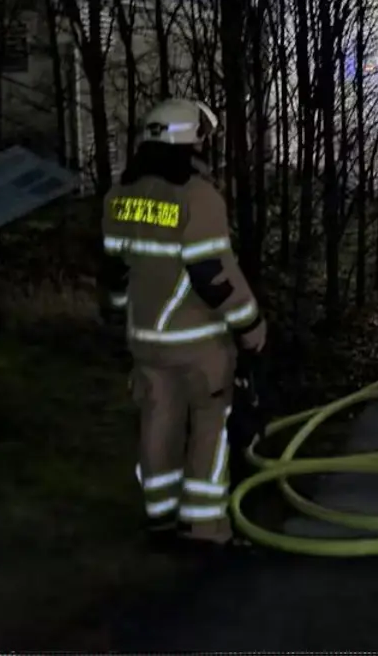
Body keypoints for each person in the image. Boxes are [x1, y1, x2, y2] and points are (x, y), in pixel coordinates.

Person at [99, 98, 268, 553]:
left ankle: (160, 514)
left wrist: (120, 315)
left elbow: (115, 271)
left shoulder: (119, 197)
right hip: (198, 344)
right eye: (200, 141)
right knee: (210, 426)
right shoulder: (197, 197)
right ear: (188, 143)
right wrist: (251, 326)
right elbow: (214, 276)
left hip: (145, 341)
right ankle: (204, 526)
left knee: (158, 421)